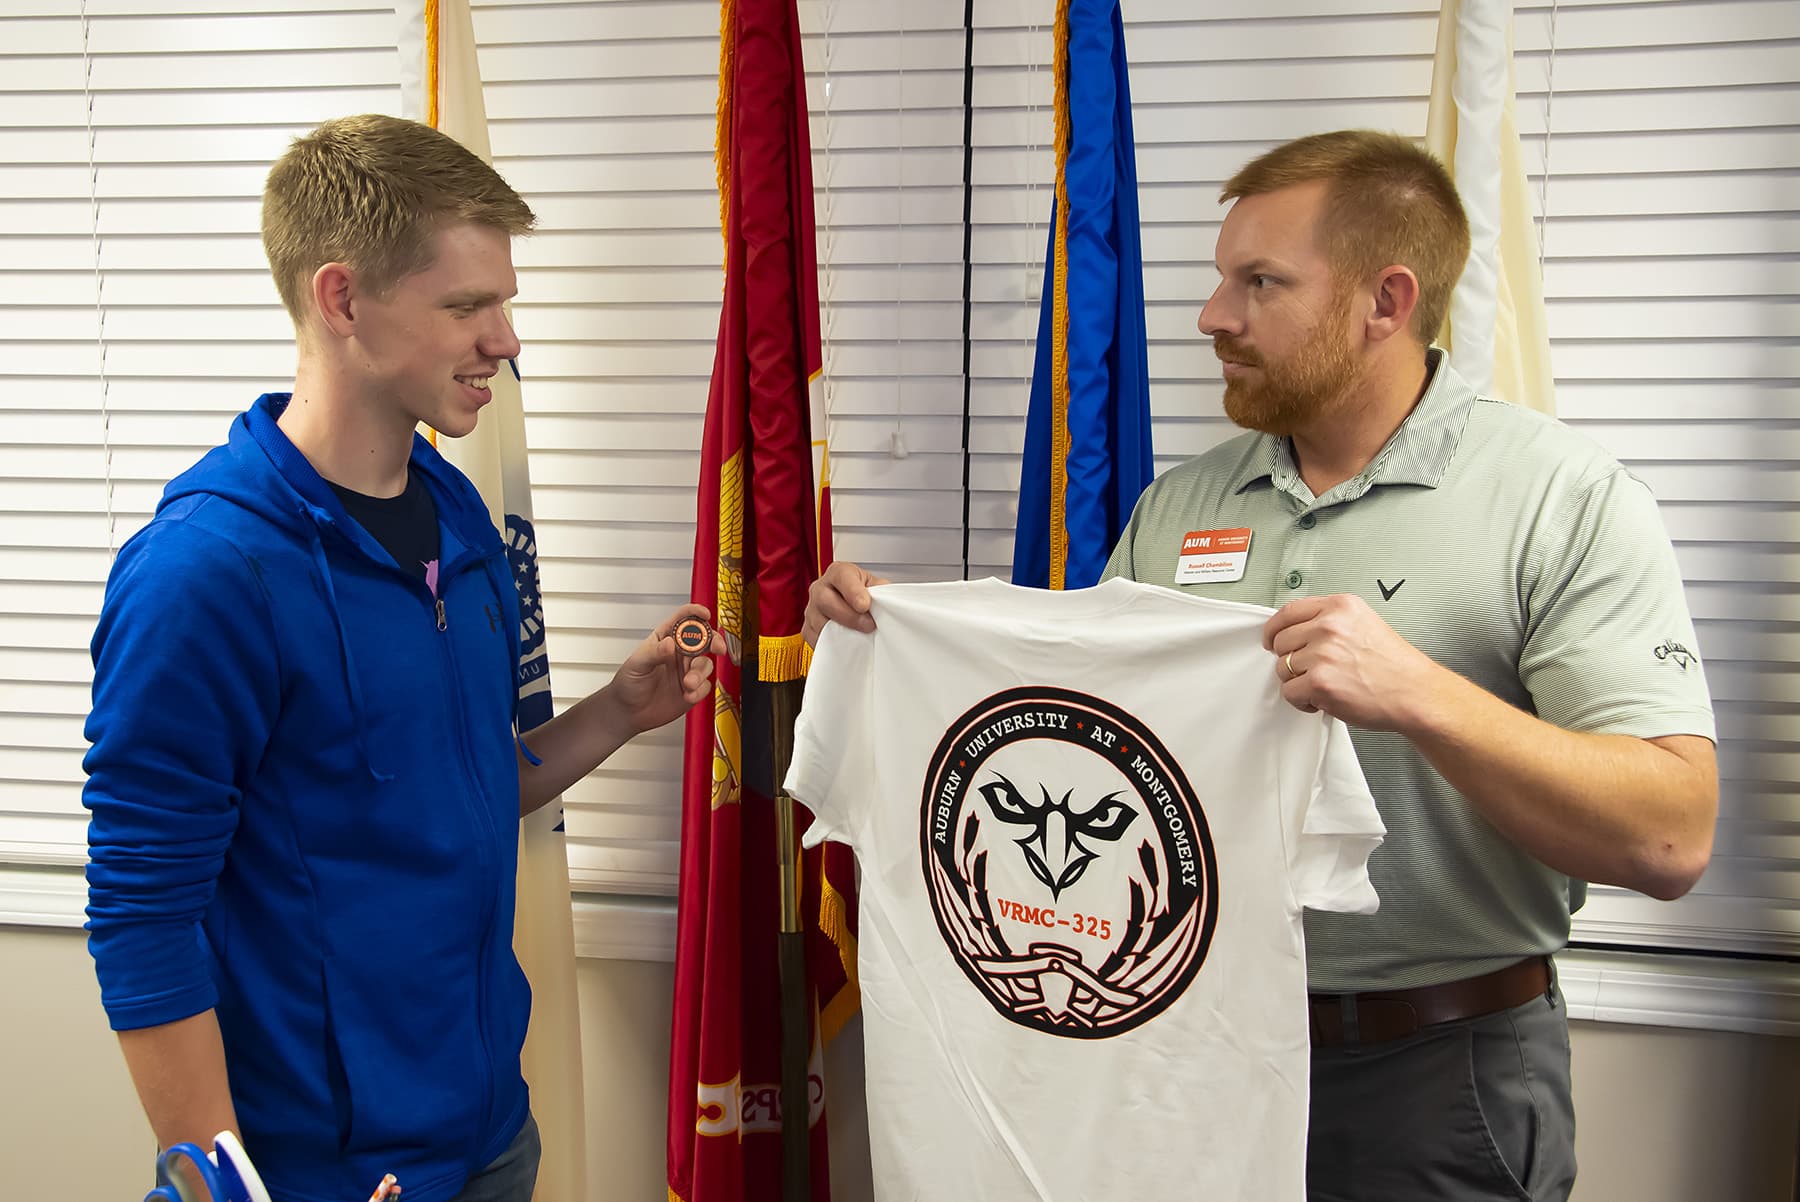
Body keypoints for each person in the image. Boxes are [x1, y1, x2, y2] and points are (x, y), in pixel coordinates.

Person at [801, 130, 1717, 1202]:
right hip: (1175, 1055)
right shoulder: (1178, 506)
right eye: (1219, 277)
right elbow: (1091, 747)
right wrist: (898, 642)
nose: (1212, 316)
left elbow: (1671, 832)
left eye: (1260, 282)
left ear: (1387, 300)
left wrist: (1417, 695)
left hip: (1429, 1074)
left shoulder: (1564, 496)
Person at [82, 113, 722, 1202]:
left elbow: (460, 788)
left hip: (488, 1138)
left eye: (504, 301)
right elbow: (143, 913)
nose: (507, 337)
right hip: (317, 1176)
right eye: (468, 305)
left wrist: (618, 709)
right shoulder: (205, 572)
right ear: (342, 300)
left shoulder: (455, 514)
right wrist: (221, 1186)